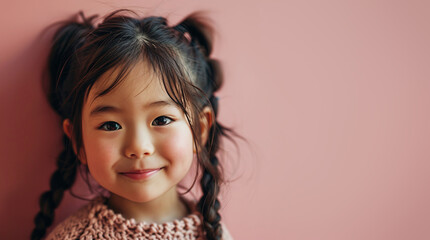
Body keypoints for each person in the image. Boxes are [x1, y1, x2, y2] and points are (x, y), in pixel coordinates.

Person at [31, 9, 239, 240]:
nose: (138, 147)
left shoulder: (213, 231)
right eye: (111, 125)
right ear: (77, 140)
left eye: (161, 120)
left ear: (199, 130)